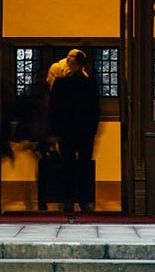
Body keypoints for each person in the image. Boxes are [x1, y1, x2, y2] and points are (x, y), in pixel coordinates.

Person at [46, 48, 101, 219]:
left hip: (66, 131)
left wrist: (53, 131)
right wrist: (94, 130)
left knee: (67, 166)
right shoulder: (90, 84)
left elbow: (53, 110)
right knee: (84, 166)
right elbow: (95, 110)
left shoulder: (61, 84)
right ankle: (84, 201)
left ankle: (68, 201)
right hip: (85, 131)